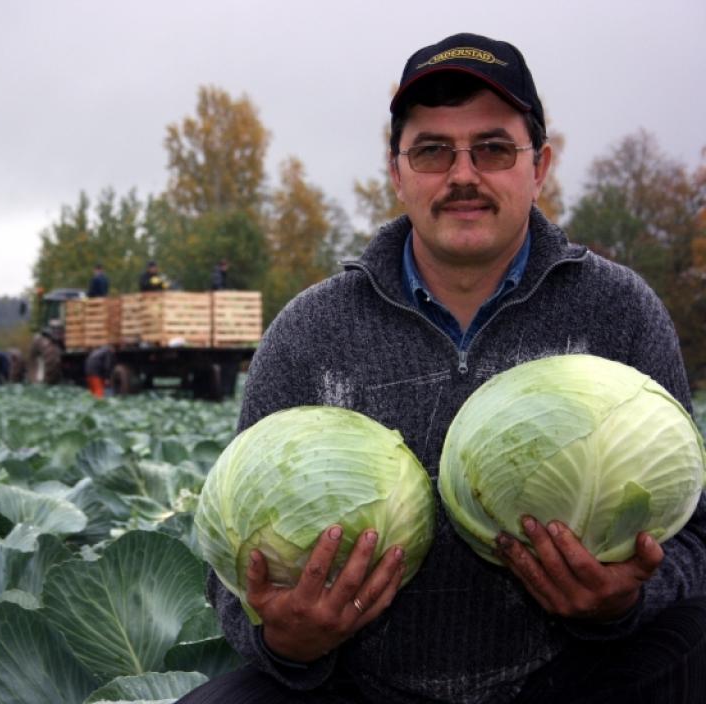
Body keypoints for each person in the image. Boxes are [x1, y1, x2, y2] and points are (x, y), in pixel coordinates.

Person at [180, 33, 706, 704]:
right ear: (396, 173)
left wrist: (623, 601)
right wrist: (284, 640)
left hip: (570, 678)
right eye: (432, 151)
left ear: (538, 166)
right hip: (363, 687)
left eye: (492, 148)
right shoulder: (308, 332)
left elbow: (696, 535)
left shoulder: (619, 310)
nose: (463, 174)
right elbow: (228, 569)